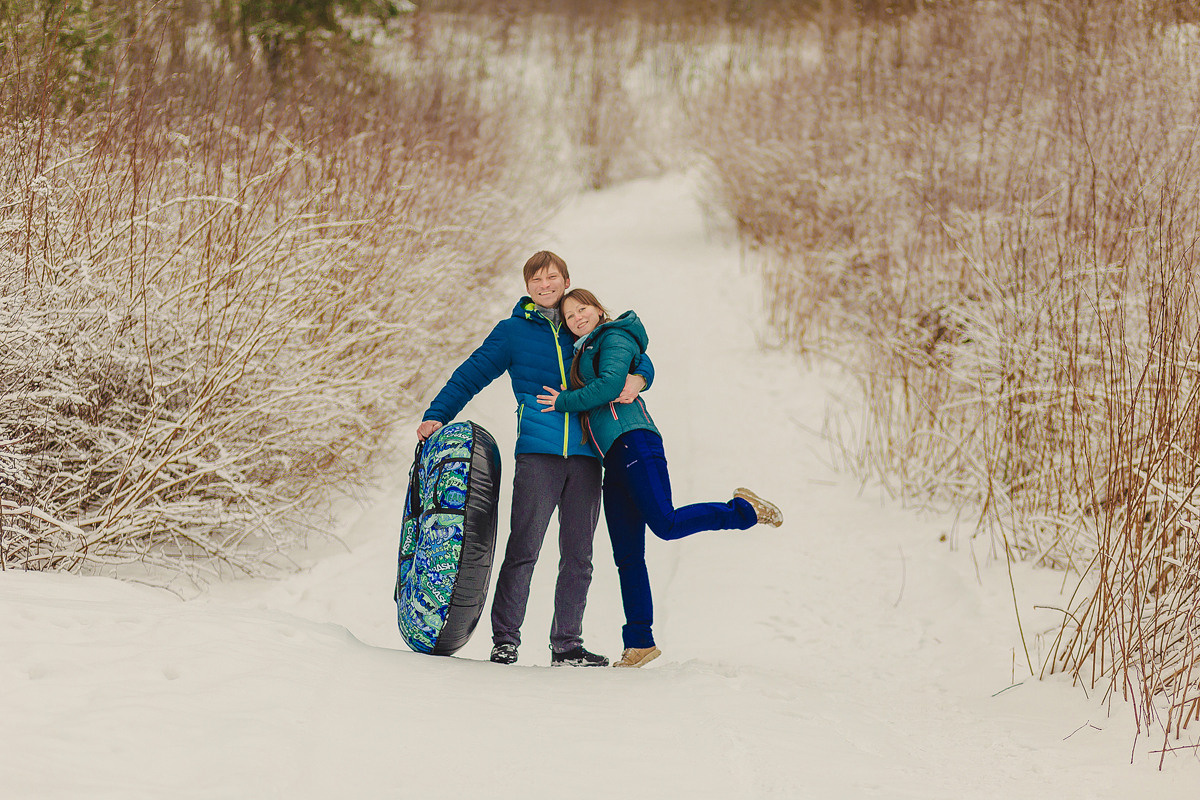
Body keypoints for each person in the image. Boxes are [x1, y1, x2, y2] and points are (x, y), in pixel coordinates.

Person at [417, 251, 654, 667]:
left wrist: (642, 376)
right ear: (527, 286)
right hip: (537, 455)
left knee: (579, 556)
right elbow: (473, 372)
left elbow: (629, 350)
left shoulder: (583, 327)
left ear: (566, 281)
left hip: (586, 454)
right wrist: (437, 414)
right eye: (536, 280)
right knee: (524, 548)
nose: (545, 286)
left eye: (553, 278)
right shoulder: (513, 332)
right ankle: (505, 639)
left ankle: (567, 646)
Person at [537, 289, 783, 669]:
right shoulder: (585, 348)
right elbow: (637, 367)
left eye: (582, 309)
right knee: (627, 555)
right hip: (612, 459)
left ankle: (744, 511)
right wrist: (643, 374)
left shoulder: (612, 336)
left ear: (599, 310)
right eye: (569, 316)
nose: (577, 318)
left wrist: (564, 400)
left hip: (635, 441)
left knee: (665, 523)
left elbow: (609, 383)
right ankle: (639, 642)